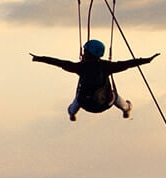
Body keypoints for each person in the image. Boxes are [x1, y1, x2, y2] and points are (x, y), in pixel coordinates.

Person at [29, 39, 158, 121]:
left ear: (89, 53)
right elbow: (127, 64)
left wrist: (40, 58)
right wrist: (147, 60)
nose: (83, 53)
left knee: (78, 98)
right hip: (105, 103)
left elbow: (59, 62)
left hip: (85, 103)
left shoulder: (80, 67)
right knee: (115, 95)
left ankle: (72, 113)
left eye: (85, 52)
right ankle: (126, 108)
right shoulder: (106, 66)